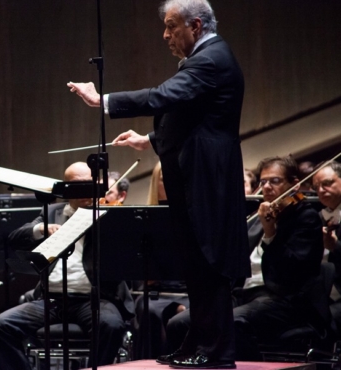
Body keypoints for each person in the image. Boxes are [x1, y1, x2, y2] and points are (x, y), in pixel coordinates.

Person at [67, 0, 249, 367]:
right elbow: (193, 116)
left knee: (208, 262)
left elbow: (164, 96)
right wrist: (148, 141)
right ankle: (198, 345)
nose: (166, 35)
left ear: (195, 26)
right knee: (195, 262)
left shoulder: (211, 58)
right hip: (196, 174)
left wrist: (101, 100)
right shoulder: (207, 58)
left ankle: (216, 353)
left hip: (206, 179)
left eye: (171, 26)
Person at [167, 156, 327, 361]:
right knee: (179, 322)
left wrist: (271, 235)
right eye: (263, 182)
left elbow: (292, 270)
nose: (267, 187)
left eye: (275, 181)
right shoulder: (258, 217)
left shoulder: (305, 217)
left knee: (233, 323)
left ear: (294, 185)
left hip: (284, 299)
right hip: (243, 295)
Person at [0, 162, 135, 369]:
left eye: (88, 185)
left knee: (111, 326)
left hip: (95, 299)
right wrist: (41, 228)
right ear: (66, 188)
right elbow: (15, 238)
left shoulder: (107, 214)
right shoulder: (53, 212)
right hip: (51, 300)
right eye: (77, 185)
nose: (84, 191)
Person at [135, 161, 189, 359]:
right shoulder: (144, 218)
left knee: (186, 312)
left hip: (189, 291)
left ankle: (182, 358)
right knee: (150, 312)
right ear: (155, 183)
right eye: (164, 179)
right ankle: (149, 363)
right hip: (156, 292)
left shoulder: (192, 216)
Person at [313, 161, 341, 328]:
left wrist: (335, 246)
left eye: (327, 183)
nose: (321, 190)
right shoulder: (316, 217)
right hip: (321, 294)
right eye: (316, 187)